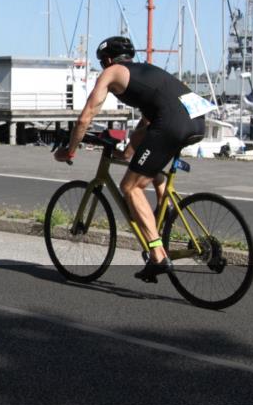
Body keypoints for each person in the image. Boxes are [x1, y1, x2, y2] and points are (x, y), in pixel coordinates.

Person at [54, 36, 207, 283]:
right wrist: (127, 154)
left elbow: (85, 117)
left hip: (172, 122)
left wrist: (70, 150)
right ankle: (164, 206)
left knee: (129, 186)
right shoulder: (147, 71)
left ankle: (157, 255)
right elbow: (146, 124)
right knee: (145, 168)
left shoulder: (112, 72)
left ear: (106, 60)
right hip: (198, 119)